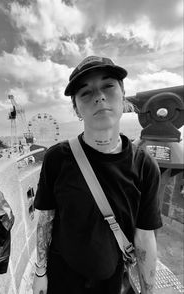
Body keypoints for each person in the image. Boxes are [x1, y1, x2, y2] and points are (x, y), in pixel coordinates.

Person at [32, 56, 162, 294]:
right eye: (85, 92)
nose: (99, 96)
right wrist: (40, 273)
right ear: (76, 109)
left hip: (114, 283)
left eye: (108, 86)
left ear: (123, 95)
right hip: (62, 279)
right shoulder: (57, 158)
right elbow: (46, 219)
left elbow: (145, 237)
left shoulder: (144, 166)